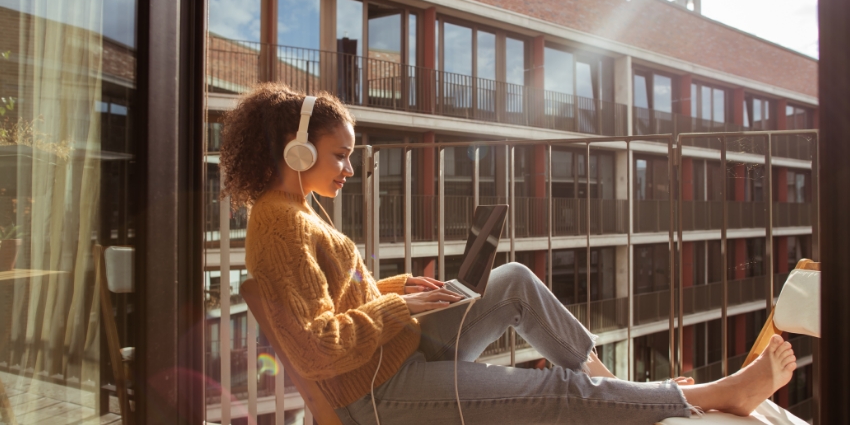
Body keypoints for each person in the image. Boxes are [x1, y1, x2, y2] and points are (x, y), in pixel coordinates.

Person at [219, 83, 797, 425]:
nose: (350, 168)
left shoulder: (297, 210)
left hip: (394, 356)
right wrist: (400, 309)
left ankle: (607, 382)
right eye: (340, 155)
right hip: (375, 393)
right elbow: (318, 347)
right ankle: (708, 396)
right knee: (554, 392)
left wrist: (400, 288)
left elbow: (336, 300)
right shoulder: (281, 225)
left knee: (514, 279)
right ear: (297, 151)